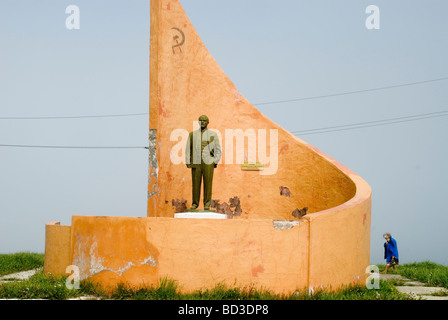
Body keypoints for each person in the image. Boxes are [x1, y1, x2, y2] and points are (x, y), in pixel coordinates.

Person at [185, 115, 221, 211]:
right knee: (195, 184)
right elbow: (188, 148)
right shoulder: (192, 134)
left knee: (208, 183)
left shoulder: (213, 134)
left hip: (208, 161)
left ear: (208, 122)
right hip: (196, 161)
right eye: (200, 120)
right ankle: (194, 204)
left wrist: (214, 161)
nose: (202, 122)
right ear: (198, 122)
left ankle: (207, 204)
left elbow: (218, 150)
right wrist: (188, 161)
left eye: (204, 120)